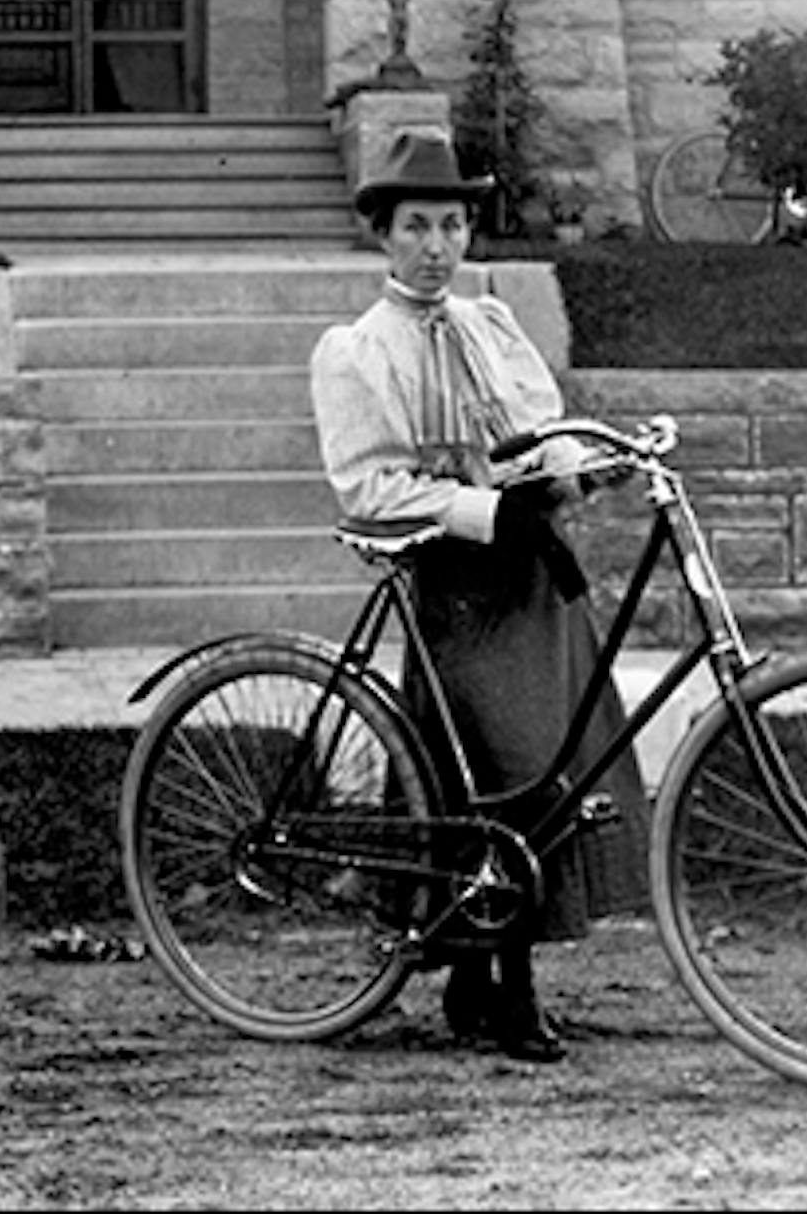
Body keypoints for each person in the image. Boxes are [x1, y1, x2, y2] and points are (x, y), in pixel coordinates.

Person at [308, 127, 649, 1065]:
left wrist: (587, 464)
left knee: (559, 767)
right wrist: (480, 508)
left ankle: (479, 973)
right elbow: (370, 486)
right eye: (416, 225)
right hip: (454, 583)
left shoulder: (491, 324)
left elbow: (541, 432)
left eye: (453, 224)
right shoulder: (356, 351)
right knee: (499, 771)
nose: (437, 246)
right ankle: (511, 990)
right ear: (384, 234)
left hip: (531, 574)